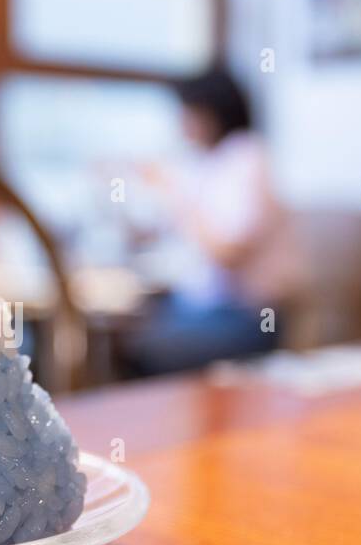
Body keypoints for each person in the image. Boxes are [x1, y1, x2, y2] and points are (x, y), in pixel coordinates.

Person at [124, 67, 300, 376]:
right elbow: (161, 235)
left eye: (188, 113)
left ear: (212, 112)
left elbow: (227, 253)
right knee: (120, 334)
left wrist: (171, 191)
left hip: (245, 316)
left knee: (140, 349)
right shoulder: (205, 163)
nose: (181, 125)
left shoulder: (247, 158)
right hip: (193, 306)